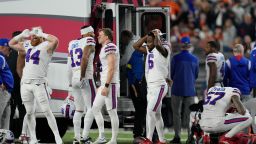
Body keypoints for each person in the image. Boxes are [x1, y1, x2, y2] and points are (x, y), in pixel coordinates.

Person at [9, 27, 63, 144]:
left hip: (38, 83)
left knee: (46, 111)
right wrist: (21, 35)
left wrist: (43, 33)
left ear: (41, 36)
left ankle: (57, 138)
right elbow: (11, 43)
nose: (32, 36)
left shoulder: (46, 46)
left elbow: (55, 40)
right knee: (29, 112)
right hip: (25, 84)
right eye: (32, 35)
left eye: (35, 35)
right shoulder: (27, 45)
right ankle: (33, 138)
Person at [133, 29, 170, 144]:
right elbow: (135, 46)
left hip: (159, 85)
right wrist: (146, 36)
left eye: (150, 40)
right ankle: (162, 140)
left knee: (150, 111)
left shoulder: (165, 47)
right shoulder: (150, 49)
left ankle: (148, 139)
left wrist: (156, 36)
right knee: (157, 114)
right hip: (151, 87)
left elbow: (159, 47)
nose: (147, 43)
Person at [67, 25, 96, 144]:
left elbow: (68, 65)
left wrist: (70, 84)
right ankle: (84, 137)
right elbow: (84, 58)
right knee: (92, 107)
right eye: (92, 33)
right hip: (85, 77)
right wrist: (83, 76)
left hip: (74, 77)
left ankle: (76, 138)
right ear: (87, 33)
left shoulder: (72, 43)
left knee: (79, 110)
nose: (94, 35)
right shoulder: (89, 40)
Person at [91, 28, 120, 144]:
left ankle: (113, 140)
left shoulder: (110, 47)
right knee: (95, 108)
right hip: (105, 83)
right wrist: (102, 84)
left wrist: (107, 86)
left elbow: (111, 68)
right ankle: (102, 136)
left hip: (111, 84)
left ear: (107, 37)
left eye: (101, 35)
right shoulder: (104, 48)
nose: (98, 37)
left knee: (112, 111)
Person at [170, 36, 199, 144]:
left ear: (181, 45)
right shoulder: (195, 59)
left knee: (176, 114)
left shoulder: (175, 58)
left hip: (177, 88)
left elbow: (172, 74)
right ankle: (190, 137)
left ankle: (177, 137)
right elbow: (196, 75)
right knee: (189, 114)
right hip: (190, 89)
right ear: (189, 45)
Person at [0, 38, 14, 129]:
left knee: (5, 116)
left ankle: (4, 139)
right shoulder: (0, 57)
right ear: (2, 47)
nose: (10, 51)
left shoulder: (2, 58)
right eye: (9, 48)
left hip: (6, 91)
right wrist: (1, 83)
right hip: (2, 91)